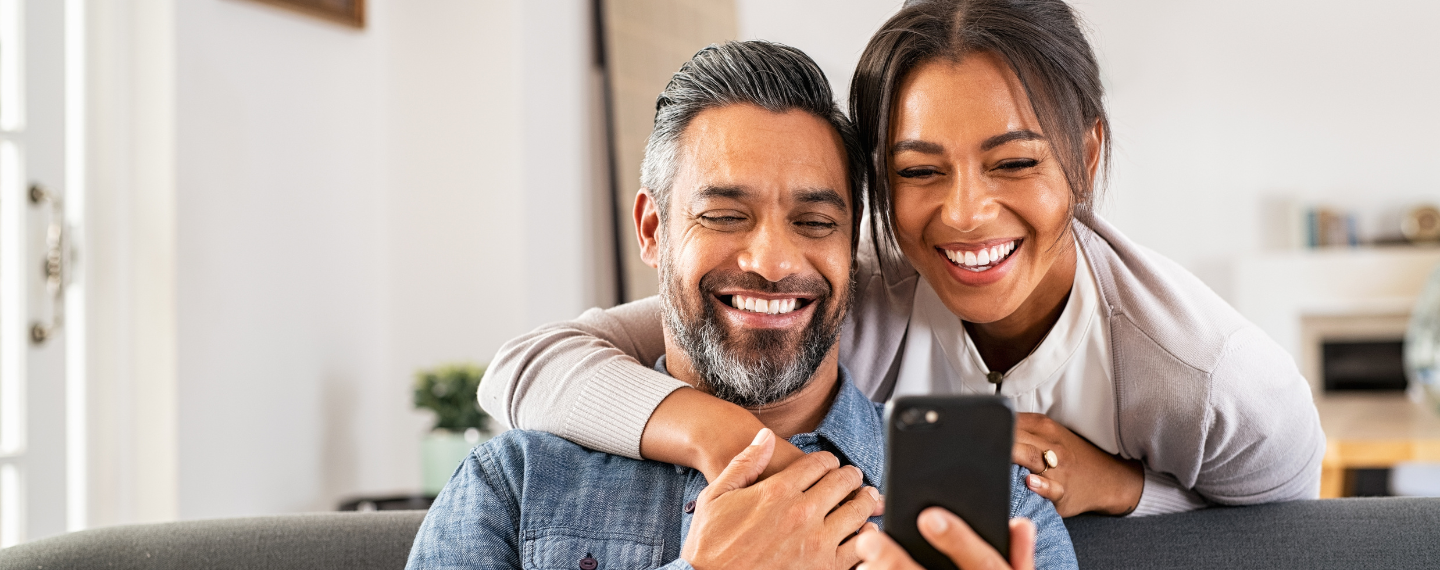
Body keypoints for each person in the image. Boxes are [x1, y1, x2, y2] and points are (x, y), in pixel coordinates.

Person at [480, 0, 1324, 518]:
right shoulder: (856, 289)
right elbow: (530, 365)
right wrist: (731, 437)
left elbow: (1291, 530)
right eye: (918, 171)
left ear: (1087, 157)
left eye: (1015, 162)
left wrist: (1126, 490)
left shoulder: (1206, 375)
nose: (963, 215)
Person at [407, 41, 1077, 570]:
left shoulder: (1000, 505)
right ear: (652, 230)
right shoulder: (515, 483)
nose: (773, 262)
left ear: (853, 249)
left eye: (816, 223)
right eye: (726, 215)